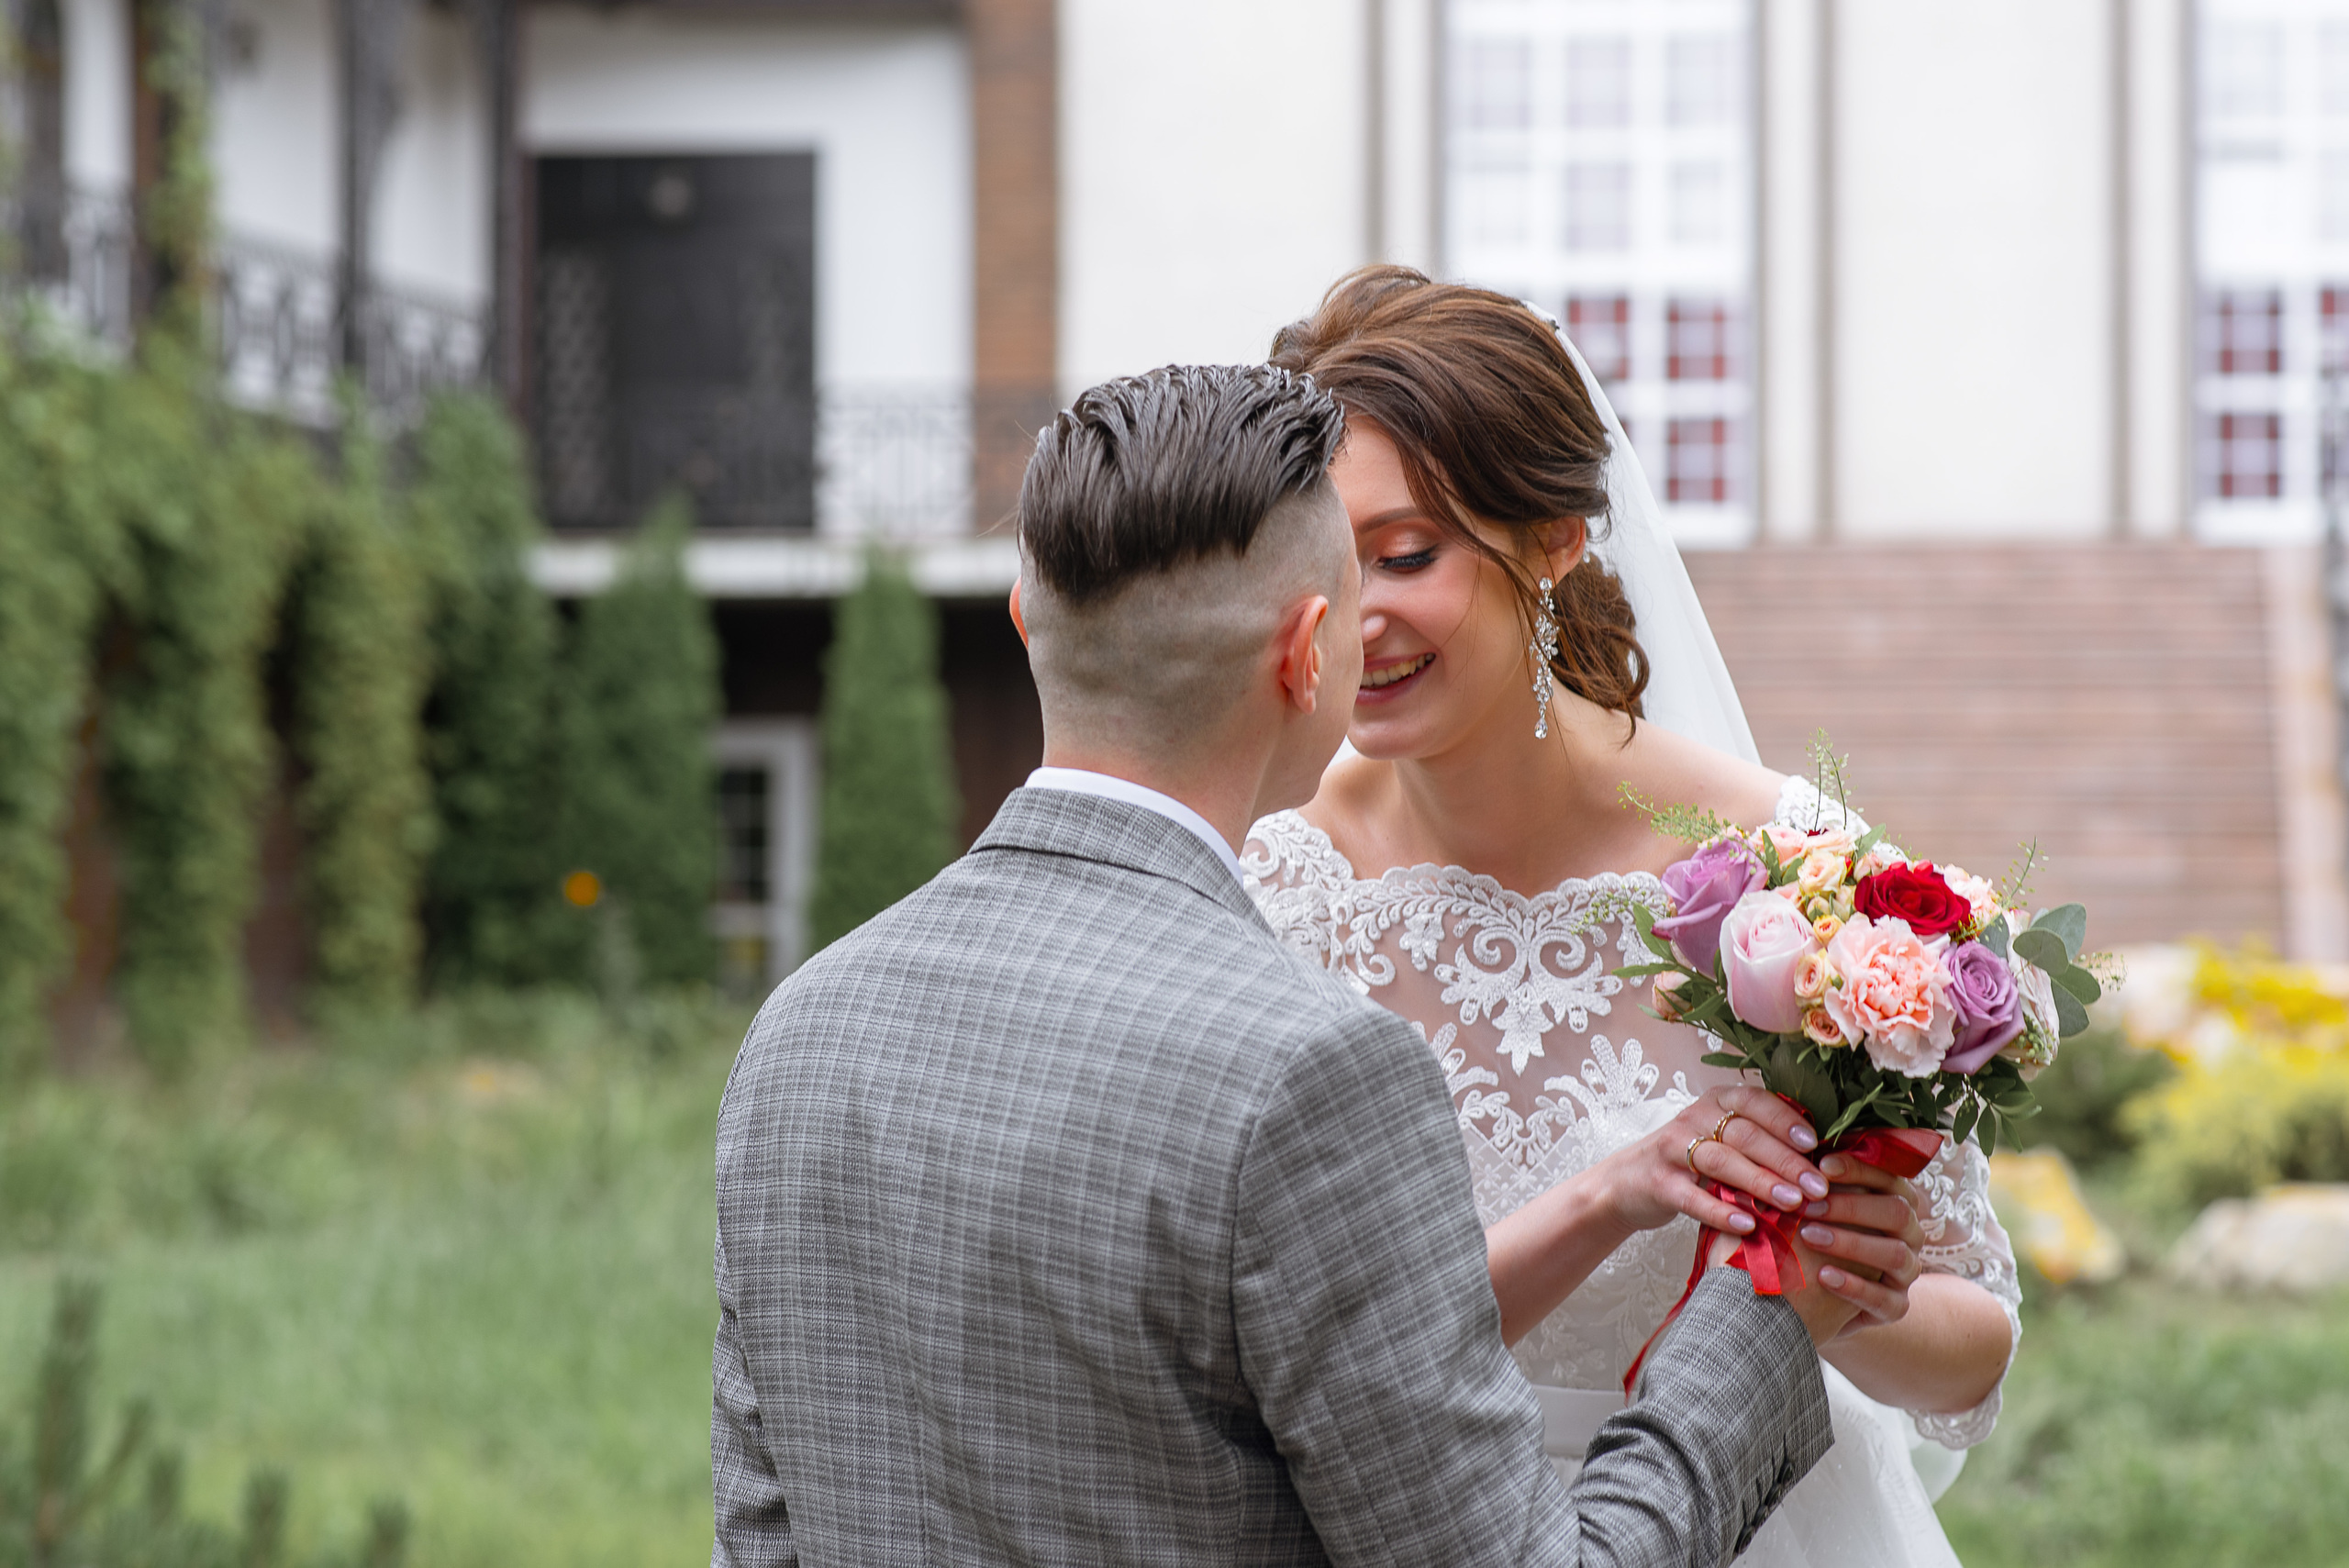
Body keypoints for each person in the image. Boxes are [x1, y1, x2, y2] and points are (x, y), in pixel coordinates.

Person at [711, 362, 1928, 1565]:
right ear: (1307, 653)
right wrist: (1759, 1322)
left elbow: (760, 1537)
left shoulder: (803, 1028)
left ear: (1027, 615)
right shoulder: (1311, 1071)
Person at [1245, 268, 2021, 1567]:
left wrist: (1819, 1301)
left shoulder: (1799, 886)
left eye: (1406, 554)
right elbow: (1274, 1343)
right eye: (1320, 564)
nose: (1353, 617)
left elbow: (1975, 1340)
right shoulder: (1273, 880)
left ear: (1554, 538)